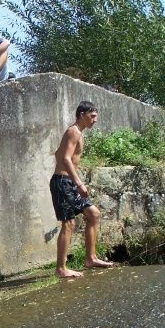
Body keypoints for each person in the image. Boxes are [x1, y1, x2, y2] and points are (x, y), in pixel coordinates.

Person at [50, 101, 114, 278]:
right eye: (92, 116)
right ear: (81, 115)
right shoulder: (73, 131)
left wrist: (75, 182)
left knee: (94, 214)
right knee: (69, 223)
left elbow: (58, 154)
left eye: (96, 116)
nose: (95, 120)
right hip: (62, 182)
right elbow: (65, 158)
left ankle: (91, 258)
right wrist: (79, 183)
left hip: (69, 182)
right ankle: (61, 268)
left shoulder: (78, 133)